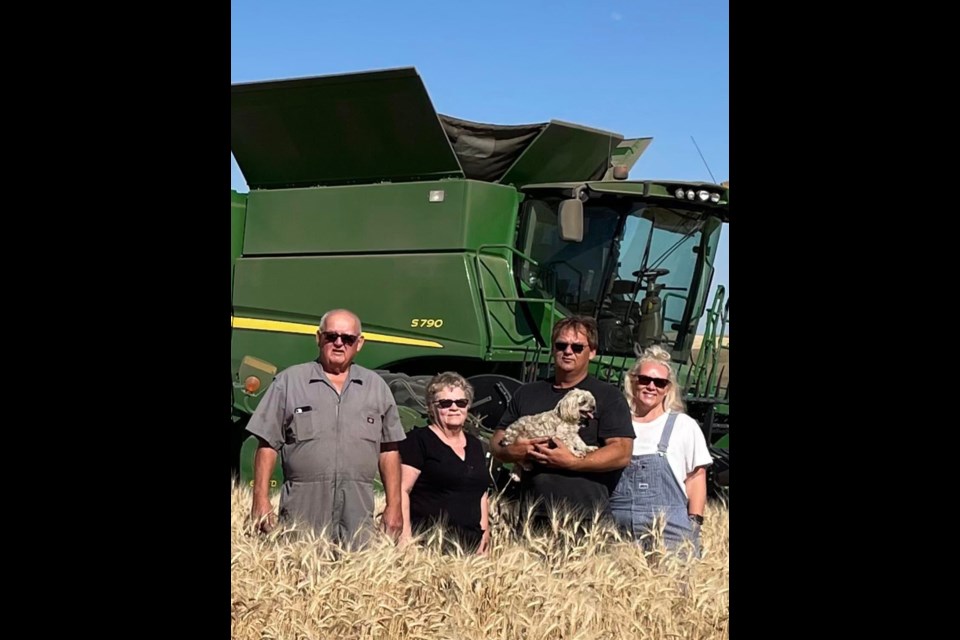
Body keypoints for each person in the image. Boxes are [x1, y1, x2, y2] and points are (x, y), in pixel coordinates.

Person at [245, 309, 406, 547]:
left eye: (348, 338)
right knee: (299, 573)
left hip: (357, 507)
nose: (339, 343)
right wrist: (260, 498)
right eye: (331, 336)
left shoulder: (376, 388)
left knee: (357, 574)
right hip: (303, 504)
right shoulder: (289, 382)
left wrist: (395, 506)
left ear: (359, 343)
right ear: (318, 338)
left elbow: (389, 450)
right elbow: (267, 444)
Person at [490, 316, 635, 530]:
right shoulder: (526, 393)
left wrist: (572, 461)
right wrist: (512, 451)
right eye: (561, 345)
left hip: (586, 517)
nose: (568, 351)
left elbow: (622, 452)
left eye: (577, 347)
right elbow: (496, 442)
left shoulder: (608, 396)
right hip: (531, 516)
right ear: (553, 348)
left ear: (592, 352)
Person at [608, 345, 713, 558]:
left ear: (668, 388)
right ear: (633, 381)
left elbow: (696, 477)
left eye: (659, 382)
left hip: (670, 532)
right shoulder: (614, 423)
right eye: (645, 379)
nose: (651, 386)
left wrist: (694, 523)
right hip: (617, 529)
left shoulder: (684, 425)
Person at [398, 372, 490, 554]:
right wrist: (405, 537)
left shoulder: (475, 445)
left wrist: (484, 536)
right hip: (429, 545)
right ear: (431, 408)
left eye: (461, 402)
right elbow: (402, 490)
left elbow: (481, 494)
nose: (454, 408)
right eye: (445, 403)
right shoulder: (418, 440)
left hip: (469, 547)